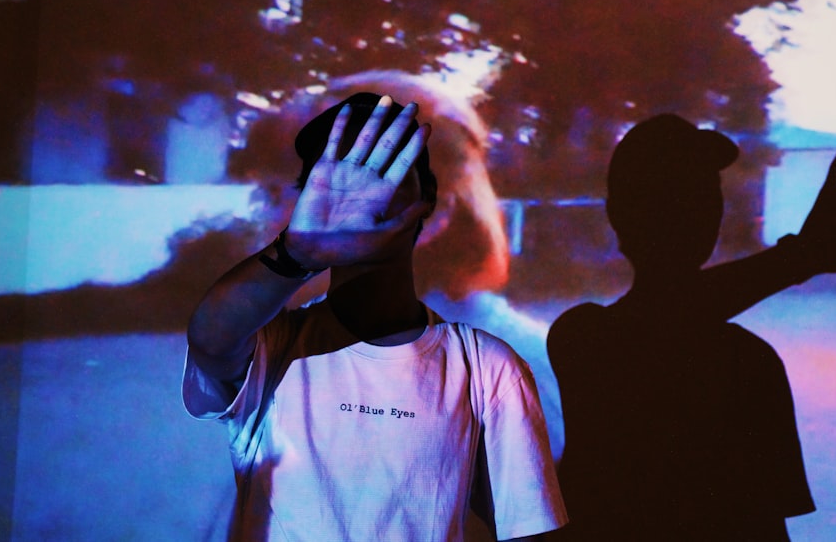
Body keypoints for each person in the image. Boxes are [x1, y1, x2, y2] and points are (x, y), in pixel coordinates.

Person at [184, 92, 567, 541]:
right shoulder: (276, 346)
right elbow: (210, 339)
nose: (343, 199)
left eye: (375, 176)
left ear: (436, 208)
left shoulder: (494, 366)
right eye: (314, 184)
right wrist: (297, 251)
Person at [547, 114, 836, 540]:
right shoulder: (747, 363)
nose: (703, 208)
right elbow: (764, 527)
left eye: (704, 193)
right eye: (687, 195)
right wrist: (804, 256)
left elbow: (658, 316)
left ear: (615, 215)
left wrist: (804, 256)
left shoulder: (580, 339)